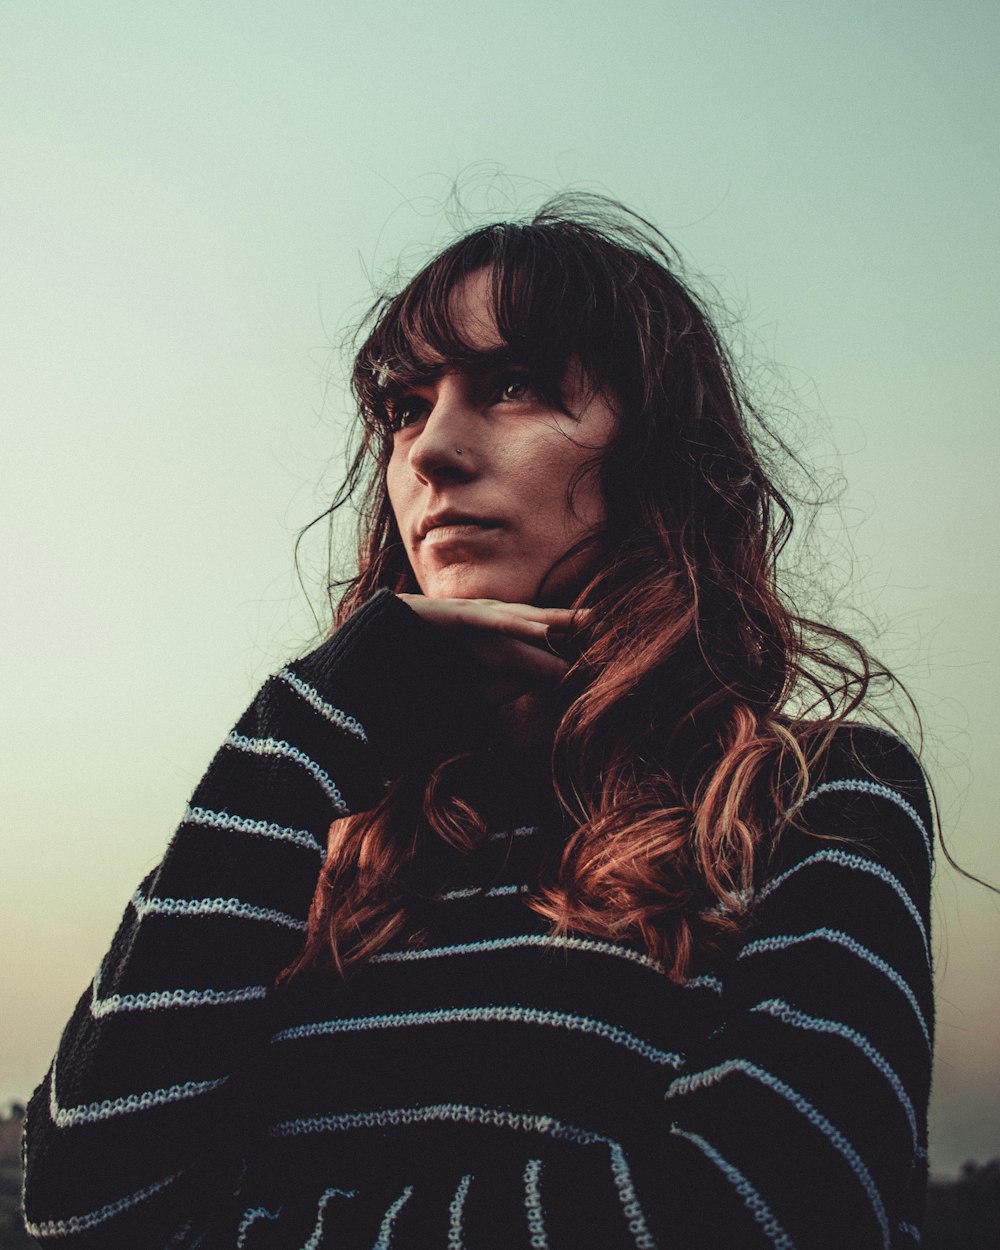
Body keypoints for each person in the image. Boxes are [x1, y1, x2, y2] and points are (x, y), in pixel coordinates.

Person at [22, 198, 934, 1249]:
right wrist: (302, 720)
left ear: (658, 453)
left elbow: (769, 1208)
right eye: (405, 408)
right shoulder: (326, 855)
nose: (431, 452)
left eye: (510, 386)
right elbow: (78, 1204)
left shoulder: (815, 798)